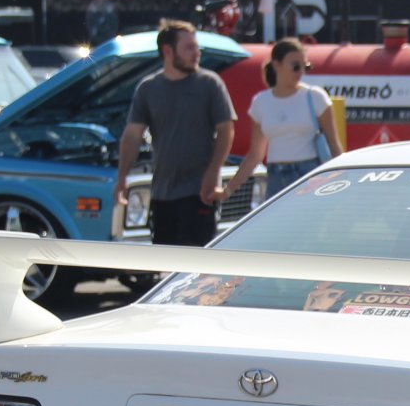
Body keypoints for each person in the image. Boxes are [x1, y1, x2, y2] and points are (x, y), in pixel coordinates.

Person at [114, 20, 236, 247]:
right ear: (168, 51)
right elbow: (133, 135)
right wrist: (122, 177)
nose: (197, 53)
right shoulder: (148, 88)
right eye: (189, 47)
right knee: (167, 264)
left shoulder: (209, 84)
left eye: (196, 47)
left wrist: (214, 171)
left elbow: (226, 130)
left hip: (200, 192)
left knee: (197, 264)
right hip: (163, 194)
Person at [224, 38, 344, 202]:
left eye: (305, 67)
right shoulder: (261, 102)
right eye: (295, 66)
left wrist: (340, 179)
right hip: (276, 175)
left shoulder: (315, 97)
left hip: (310, 173)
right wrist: (228, 190)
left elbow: (334, 145)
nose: (301, 72)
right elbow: (255, 155)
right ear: (276, 65)